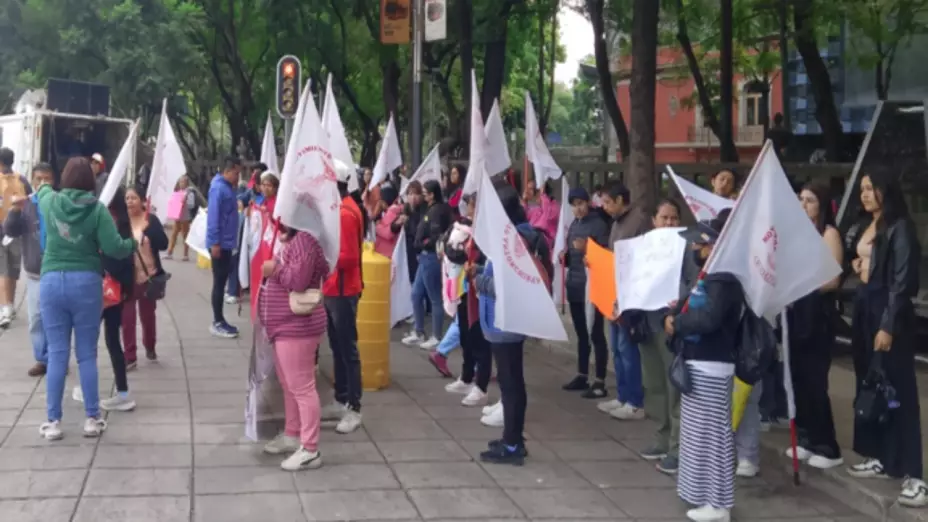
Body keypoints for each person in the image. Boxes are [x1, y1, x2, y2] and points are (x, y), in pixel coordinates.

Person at [33, 157, 136, 440]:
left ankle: (53, 422)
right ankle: (92, 418)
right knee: (87, 353)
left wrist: (43, 187)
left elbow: (41, 189)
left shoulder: (50, 201)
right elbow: (115, 248)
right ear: (91, 182)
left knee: (56, 354)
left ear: (64, 179)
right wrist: (134, 242)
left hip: (52, 281)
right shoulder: (98, 211)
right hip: (87, 284)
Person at [846, 171, 925, 507]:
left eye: (871, 188)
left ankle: (914, 475)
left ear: (885, 190)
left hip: (888, 315)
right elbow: (871, 265)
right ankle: (881, 455)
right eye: (862, 189)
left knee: (899, 392)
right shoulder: (870, 224)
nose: (865, 195)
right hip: (865, 308)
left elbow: (903, 282)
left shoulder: (900, 227)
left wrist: (888, 325)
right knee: (872, 385)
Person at [666, 210, 742, 522]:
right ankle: (700, 493)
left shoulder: (723, 279)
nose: (696, 248)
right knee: (697, 432)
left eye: (702, 243)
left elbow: (708, 319)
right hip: (698, 361)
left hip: (713, 362)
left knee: (714, 435)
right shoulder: (710, 276)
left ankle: (719, 503)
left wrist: (678, 322)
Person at [473, 182, 551, 465]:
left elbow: (507, 285)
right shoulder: (514, 237)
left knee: (511, 384)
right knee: (510, 382)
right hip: (502, 322)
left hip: (505, 323)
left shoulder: (514, 240)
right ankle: (512, 436)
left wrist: (478, 280)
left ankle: (512, 444)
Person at [259, 224, 329, 471]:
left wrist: (274, 269)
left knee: (302, 387)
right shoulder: (299, 239)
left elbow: (298, 281)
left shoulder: (304, 240)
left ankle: (310, 448)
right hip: (286, 326)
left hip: (297, 327)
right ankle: (293, 434)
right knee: (291, 385)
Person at [783, 183, 844, 470]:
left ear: (822, 205)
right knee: (797, 379)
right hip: (797, 315)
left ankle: (827, 444)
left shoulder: (828, 234)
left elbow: (832, 279)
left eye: (810, 200)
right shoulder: (797, 235)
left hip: (817, 315)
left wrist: (801, 285)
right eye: (801, 199)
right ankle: (806, 437)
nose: (804, 204)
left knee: (815, 380)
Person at [637, 199, 690, 475]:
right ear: (653, 221)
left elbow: (692, 285)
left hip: (671, 325)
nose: (669, 223)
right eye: (664, 218)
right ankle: (661, 437)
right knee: (654, 384)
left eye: (674, 218)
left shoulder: (686, 249)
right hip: (647, 323)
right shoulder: (642, 247)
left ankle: (678, 448)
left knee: (674, 388)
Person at [596, 180, 650, 421]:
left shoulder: (638, 222)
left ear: (620, 200)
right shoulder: (617, 223)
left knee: (627, 349)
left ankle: (635, 401)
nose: (605, 207)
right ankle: (622, 395)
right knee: (617, 349)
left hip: (629, 294)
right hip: (614, 292)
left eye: (607, 202)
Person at [321, 160, 365, 434]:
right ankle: (342, 398)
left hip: (343, 289)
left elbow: (348, 257)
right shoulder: (341, 209)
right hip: (334, 288)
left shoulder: (345, 214)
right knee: (337, 347)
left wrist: (322, 257)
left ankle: (354, 407)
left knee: (347, 349)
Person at [439, 194, 491, 407]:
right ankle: (467, 376)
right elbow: (448, 246)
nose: (469, 209)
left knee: (479, 338)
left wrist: (454, 252)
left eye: (473, 205)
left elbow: (469, 256)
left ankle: (481, 385)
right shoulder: (461, 226)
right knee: (466, 335)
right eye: (469, 205)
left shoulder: (484, 232)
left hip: (477, 288)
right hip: (461, 286)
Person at [560, 187, 610, 399]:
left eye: (581, 203)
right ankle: (582, 374)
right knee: (581, 333)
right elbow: (573, 255)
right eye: (574, 205)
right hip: (575, 285)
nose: (578, 208)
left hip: (593, 287)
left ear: (588, 202)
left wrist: (587, 248)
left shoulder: (598, 224)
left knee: (596, 332)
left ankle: (599, 380)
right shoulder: (574, 224)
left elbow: (605, 254)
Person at [4, 163, 52, 375]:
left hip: (56, 272)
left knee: (56, 320)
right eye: (38, 179)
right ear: (32, 181)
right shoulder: (27, 205)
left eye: (46, 179)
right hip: (34, 274)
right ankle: (42, 359)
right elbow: (10, 230)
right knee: (36, 320)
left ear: (54, 181)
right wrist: (15, 210)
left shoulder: (58, 203)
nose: (42, 184)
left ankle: (57, 357)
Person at [99, 186, 138, 412]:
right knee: (110, 341)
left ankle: (121, 392)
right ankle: (121, 392)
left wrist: (100, 255)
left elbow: (118, 259)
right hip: (112, 291)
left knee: (107, 341)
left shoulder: (117, 225)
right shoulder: (120, 224)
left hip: (108, 291)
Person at [403, 179, 453, 348]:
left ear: (432, 195)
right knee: (416, 294)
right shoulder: (430, 209)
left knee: (434, 298)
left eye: (425, 193)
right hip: (424, 257)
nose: (423, 196)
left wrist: (423, 244)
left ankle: (437, 336)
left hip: (431, 257)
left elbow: (436, 236)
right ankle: (419, 331)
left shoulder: (437, 211)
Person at [121, 187, 168, 367]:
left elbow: (163, 244)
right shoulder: (122, 223)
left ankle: (150, 346)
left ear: (142, 201)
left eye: (133, 198)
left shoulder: (151, 220)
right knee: (127, 318)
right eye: (127, 198)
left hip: (149, 277)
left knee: (148, 316)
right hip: (128, 277)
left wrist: (149, 231)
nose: (130, 201)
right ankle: (130, 355)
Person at [207, 156, 243, 338]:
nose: (238, 177)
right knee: (219, 283)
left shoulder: (227, 187)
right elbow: (213, 217)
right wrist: (215, 242)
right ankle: (217, 321)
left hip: (226, 242)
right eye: (236, 173)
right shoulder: (218, 188)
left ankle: (220, 319)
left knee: (222, 281)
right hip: (220, 243)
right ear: (227, 171)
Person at [0, 147, 32, 328]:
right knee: (12, 270)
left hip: (0, 230)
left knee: (2, 271)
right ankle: (10, 306)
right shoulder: (21, 179)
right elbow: (29, 200)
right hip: (18, 230)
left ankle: (4, 308)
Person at [165, 175, 204, 261]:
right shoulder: (178, 192)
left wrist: (184, 201)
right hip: (177, 216)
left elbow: (191, 205)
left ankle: (185, 255)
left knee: (185, 235)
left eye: (182, 182)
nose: (181, 184)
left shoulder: (189, 192)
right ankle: (170, 252)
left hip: (185, 217)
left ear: (186, 183)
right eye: (180, 182)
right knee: (174, 234)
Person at [523, 178, 559, 248]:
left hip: (547, 248)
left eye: (530, 189)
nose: (527, 192)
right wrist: (525, 202)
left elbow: (545, 221)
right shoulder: (536, 209)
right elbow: (523, 219)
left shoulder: (553, 207)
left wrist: (543, 195)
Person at [373, 185, 402, 258]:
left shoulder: (393, 211)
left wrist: (377, 226)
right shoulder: (396, 209)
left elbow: (387, 233)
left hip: (387, 254)